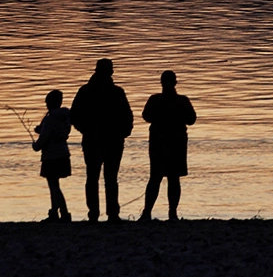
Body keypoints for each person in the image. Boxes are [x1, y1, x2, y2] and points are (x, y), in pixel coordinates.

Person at [70, 58, 134, 223]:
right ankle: (107, 213)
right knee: (107, 178)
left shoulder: (87, 91)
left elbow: (74, 115)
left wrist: (123, 132)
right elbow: (127, 115)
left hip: (100, 139)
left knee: (95, 177)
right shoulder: (115, 92)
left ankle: (97, 214)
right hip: (107, 139)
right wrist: (123, 132)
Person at [139, 70, 197, 222]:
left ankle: (149, 213)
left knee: (157, 178)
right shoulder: (181, 101)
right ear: (175, 83)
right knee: (170, 178)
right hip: (173, 143)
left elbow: (146, 116)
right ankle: (169, 213)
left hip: (162, 142)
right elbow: (191, 120)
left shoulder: (156, 100)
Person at [32, 89, 72, 222]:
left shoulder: (50, 119)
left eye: (47, 102)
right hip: (63, 154)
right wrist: (42, 129)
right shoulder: (65, 117)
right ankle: (54, 212)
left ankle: (64, 213)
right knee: (55, 185)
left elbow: (44, 138)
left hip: (51, 156)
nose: (46, 105)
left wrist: (35, 146)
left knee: (53, 186)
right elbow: (55, 132)